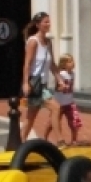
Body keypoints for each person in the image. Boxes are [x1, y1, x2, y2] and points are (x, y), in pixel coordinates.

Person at [20, 12, 63, 145]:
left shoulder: (48, 42)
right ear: (38, 25)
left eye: (49, 21)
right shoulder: (33, 41)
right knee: (55, 108)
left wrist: (60, 79)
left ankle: (20, 142)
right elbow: (27, 64)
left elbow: (52, 64)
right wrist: (26, 83)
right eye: (45, 22)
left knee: (31, 117)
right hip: (35, 84)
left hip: (43, 85)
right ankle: (60, 140)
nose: (48, 24)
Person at [54, 53, 82, 147]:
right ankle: (46, 137)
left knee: (74, 121)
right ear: (64, 64)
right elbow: (57, 87)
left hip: (69, 102)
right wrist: (62, 87)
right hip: (59, 103)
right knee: (53, 121)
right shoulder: (62, 74)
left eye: (72, 60)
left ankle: (74, 140)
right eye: (70, 61)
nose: (73, 63)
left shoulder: (72, 74)